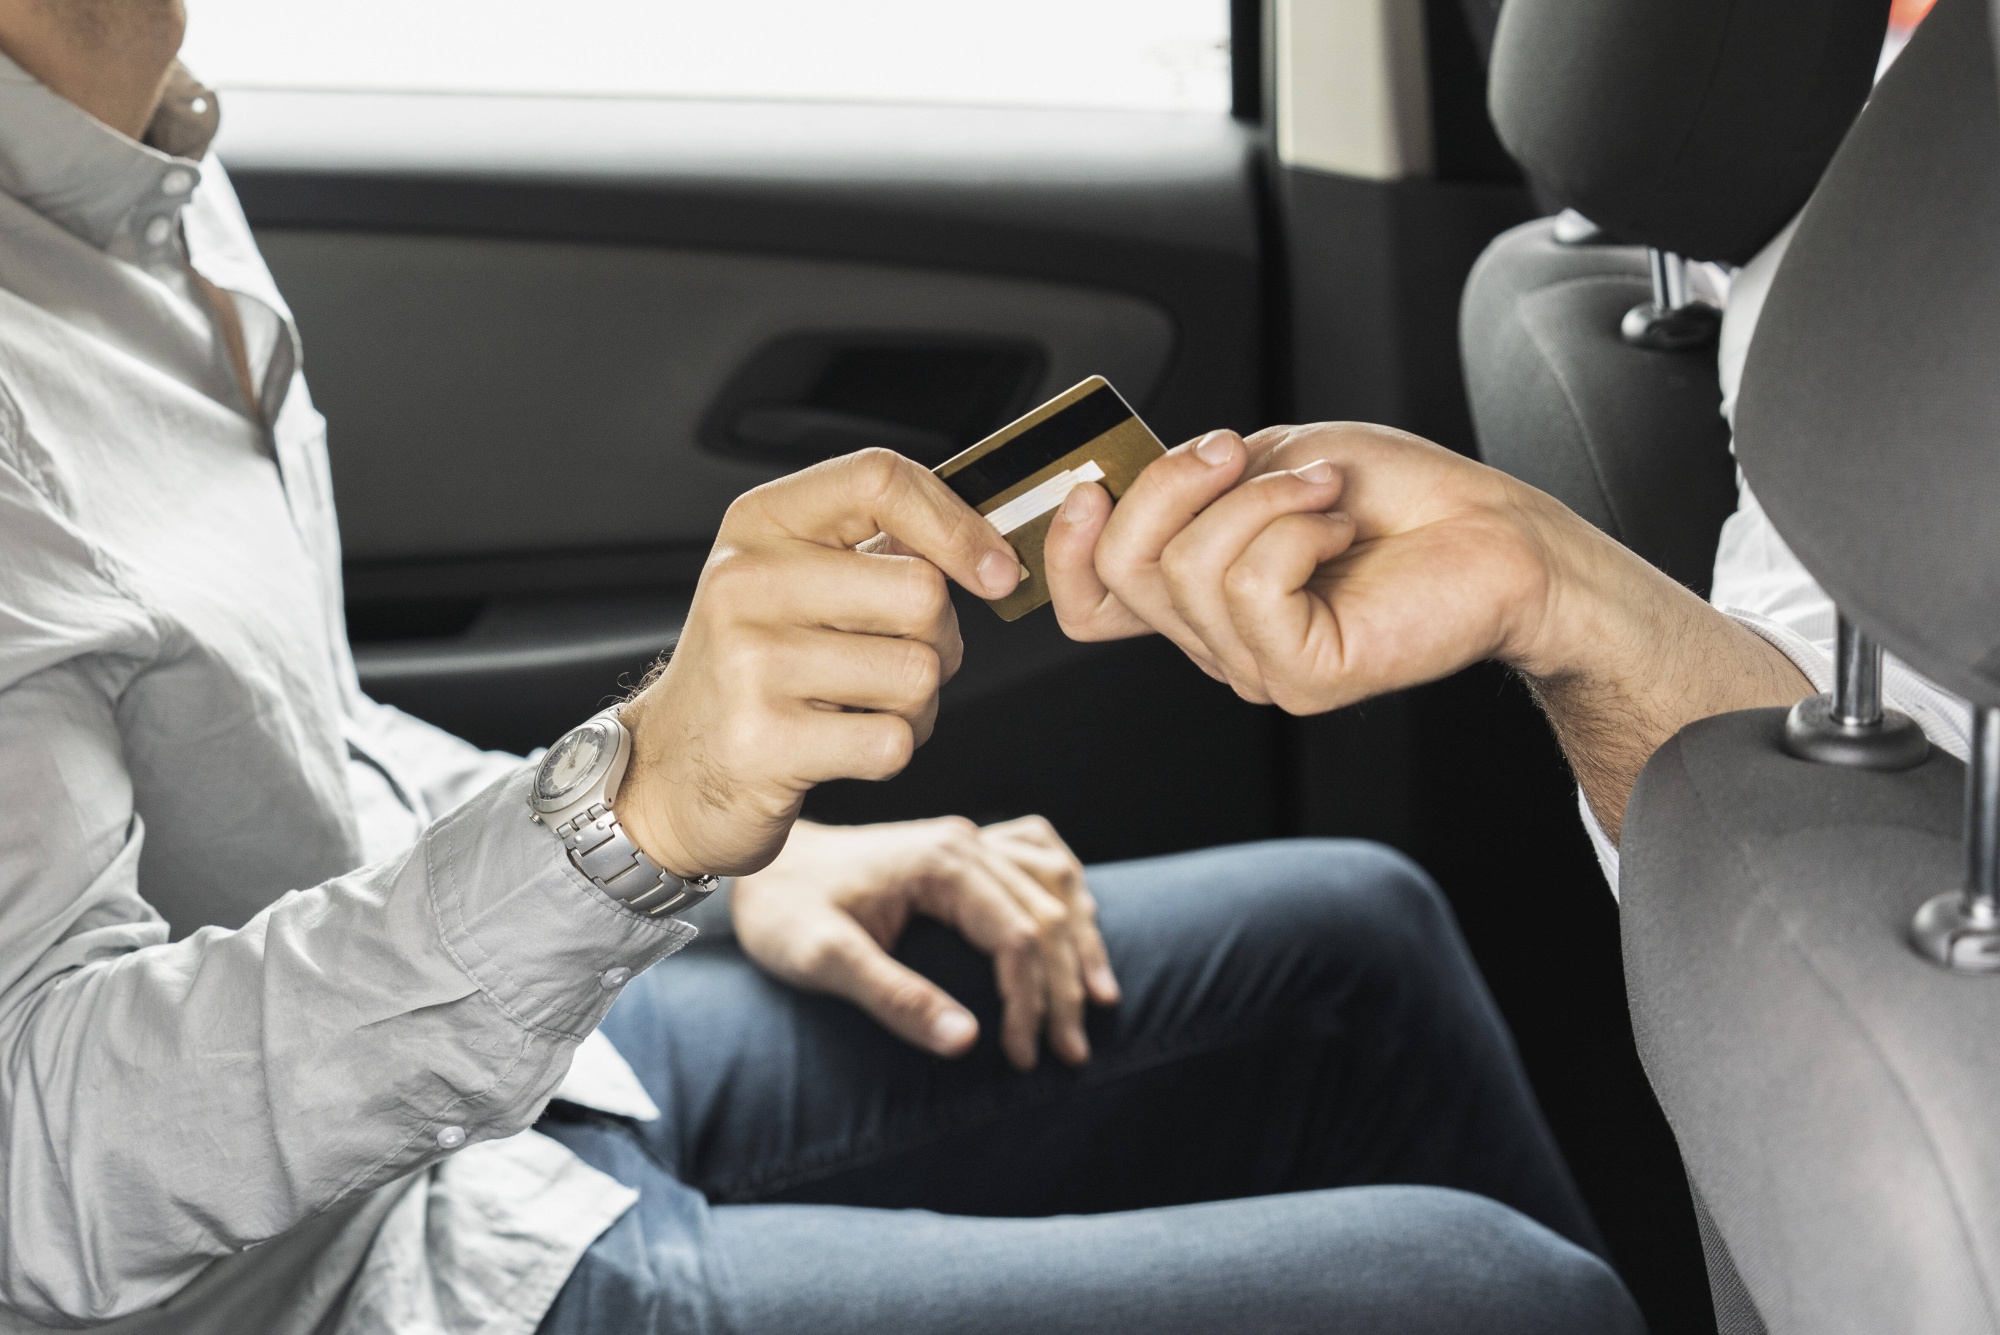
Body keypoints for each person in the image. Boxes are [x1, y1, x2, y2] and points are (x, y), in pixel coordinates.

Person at [0, 4, 1648, 1333]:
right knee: (1497, 1299)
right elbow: (37, 1173)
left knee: (1361, 941)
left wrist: (719, 867)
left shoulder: (135, 158)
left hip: (469, 1133)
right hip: (331, 1286)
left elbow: (297, 746)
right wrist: (632, 822)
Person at [1042, 222, 1966, 895]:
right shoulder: (1863, 257)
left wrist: (1548, 582)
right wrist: (1548, 583)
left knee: (1371, 918)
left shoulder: (1840, 262)